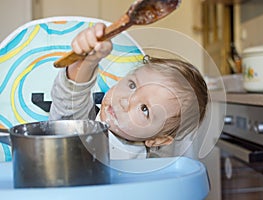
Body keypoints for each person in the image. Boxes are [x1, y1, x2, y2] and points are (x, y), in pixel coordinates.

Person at [49, 23, 208, 159]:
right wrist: (87, 62)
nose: (125, 101)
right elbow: (70, 99)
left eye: (144, 109)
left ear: (157, 140)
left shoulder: (150, 166)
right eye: (132, 85)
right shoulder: (82, 126)